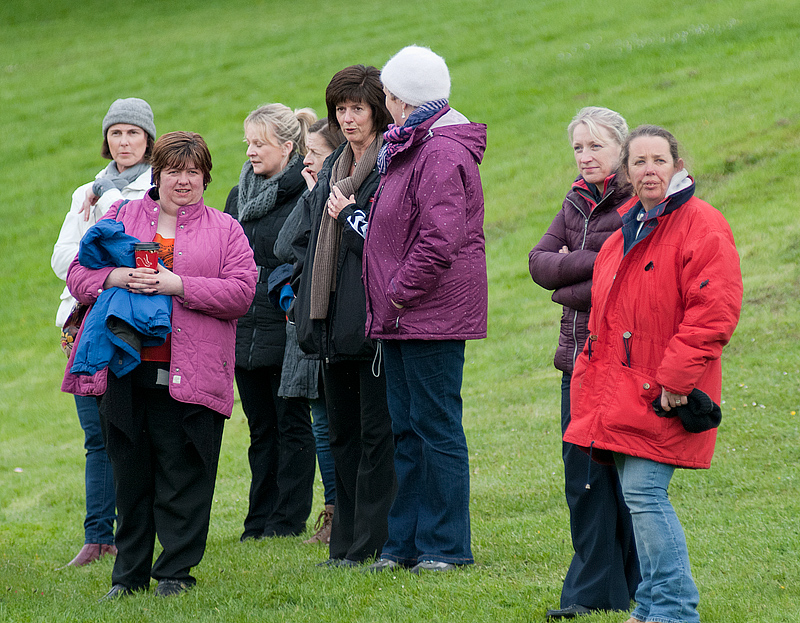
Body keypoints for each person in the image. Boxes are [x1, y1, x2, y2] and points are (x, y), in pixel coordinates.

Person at [62, 132, 257, 599]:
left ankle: (175, 574)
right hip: (126, 371)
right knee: (130, 478)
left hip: (193, 374)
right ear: (158, 174)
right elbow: (78, 273)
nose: (184, 180)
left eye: (193, 172)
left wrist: (178, 285)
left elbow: (242, 293)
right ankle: (127, 578)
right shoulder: (122, 216)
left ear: (206, 176)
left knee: (185, 476)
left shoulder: (225, 228)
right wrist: (117, 275)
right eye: (174, 171)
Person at [564, 125, 743, 623]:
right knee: (636, 495)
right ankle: (650, 608)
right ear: (626, 171)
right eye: (639, 162)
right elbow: (607, 317)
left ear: (677, 165)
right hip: (623, 390)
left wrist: (674, 382)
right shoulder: (630, 226)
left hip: (666, 392)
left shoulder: (701, 224)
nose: (649, 171)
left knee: (643, 493)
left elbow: (714, 312)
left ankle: (673, 610)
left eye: (658, 160)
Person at [363, 45, 487, 573]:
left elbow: (440, 239)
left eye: (388, 94)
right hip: (404, 314)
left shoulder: (438, 151)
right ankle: (405, 544)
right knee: (407, 429)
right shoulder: (412, 144)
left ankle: (445, 546)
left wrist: (396, 291)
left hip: (428, 311)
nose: (385, 102)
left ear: (401, 99)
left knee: (435, 428)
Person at [528, 107, 640, 619]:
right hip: (575, 362)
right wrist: (587, 270)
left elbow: (626, 280)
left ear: (621, 149)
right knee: (583, 478)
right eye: (578, 147)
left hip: (621, 362)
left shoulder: (637, 204)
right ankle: (603, 589)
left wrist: (568, 280)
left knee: (622, 480)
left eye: (596, 146)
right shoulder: (576, 199)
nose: (586, 156)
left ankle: (609, 588)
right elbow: (538, 262)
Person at [291, 64, 397, 566]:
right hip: (329, 319)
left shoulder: (391, 164)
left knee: (377, 436)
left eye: (357, 107)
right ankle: (344, 545)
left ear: (377, 109)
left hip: (373, 322)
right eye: (341, 108)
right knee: (341, 436)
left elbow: (388, 243)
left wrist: (348, 215)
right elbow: (302, 240)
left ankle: (372, 541)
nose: (348, 117)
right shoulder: (332, 166)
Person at [51, 97, 156, 567]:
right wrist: (94, 255)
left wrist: (105, 213)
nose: (124, 141)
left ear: (148, 139)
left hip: (133, 324)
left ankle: (142, 529)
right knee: (96, 435)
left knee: (132, 430)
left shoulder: (157, 190)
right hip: (84, 323)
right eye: (116, 133)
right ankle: (98, 536)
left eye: (133, 133)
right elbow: (61, 259)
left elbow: (145, 256)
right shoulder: (83, 192)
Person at [225, 104, 317, 541]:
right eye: (248, 142)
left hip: (286, 325)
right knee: (260, 429)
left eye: (259, 143)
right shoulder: (235, 196)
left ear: (287, 146)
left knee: (292, 425)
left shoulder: (307, 190)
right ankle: (256, 521)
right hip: (243, 327)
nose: (250, 151)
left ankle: (287, 521)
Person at [273, 118, 345, 545]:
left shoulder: (337, 192)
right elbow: (285, 245)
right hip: (307, 321)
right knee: (320, 421)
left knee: (339, 423)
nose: (307, 161)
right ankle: (334, 510)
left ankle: (346, 512)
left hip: (338, 322)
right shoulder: (312, 192)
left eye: (314, 153)